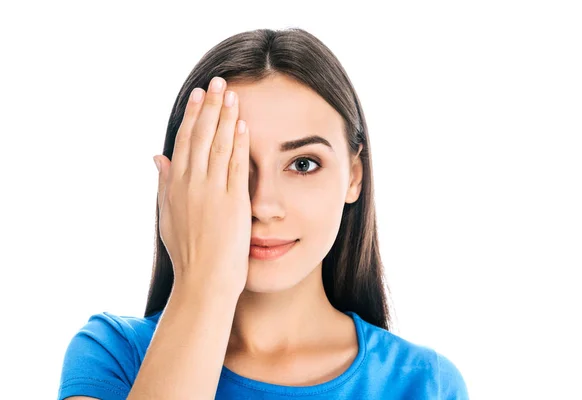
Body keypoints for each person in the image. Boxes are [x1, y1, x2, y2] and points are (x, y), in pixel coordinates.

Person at [57, 27, 469, 399]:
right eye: (231, 166)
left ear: (354, 177)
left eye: (303, 164)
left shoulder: (425, 383)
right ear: (181, 185)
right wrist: (203, 285)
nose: (262, 205)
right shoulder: (113, 356)